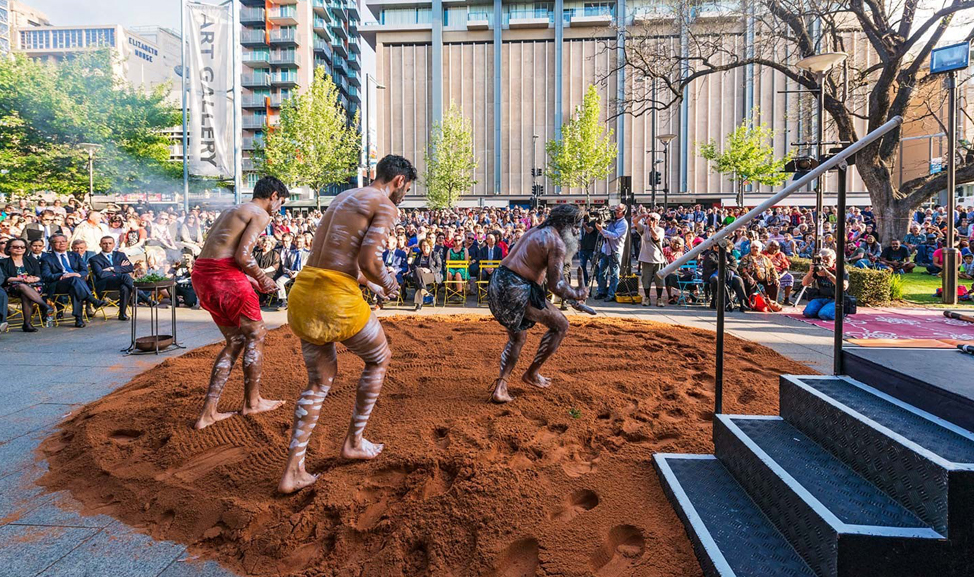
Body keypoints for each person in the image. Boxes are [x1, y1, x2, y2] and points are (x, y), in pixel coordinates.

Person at [278, 155, 416, 494]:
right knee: (379, 357)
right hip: (334, 299)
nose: (403, 196)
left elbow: (340, 256)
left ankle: (293, 471)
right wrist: (388, 283)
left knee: (319, 381)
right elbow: (370, 260)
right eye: (406, 189)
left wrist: (368, 282)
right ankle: (354, 440)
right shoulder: (384, 203)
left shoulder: (343, 197)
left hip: (305, 291)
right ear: (398, 181)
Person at [190, 176, 288, 430]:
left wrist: (247, 278)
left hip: (203, 274)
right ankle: (252, 402)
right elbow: (243, 256)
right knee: (256, 333)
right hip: (224, 276)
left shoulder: (232, 210)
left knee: (235, 341)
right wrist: (262, 278)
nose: (278, 210)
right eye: (280, 203)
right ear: (273, 196)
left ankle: (208, 413)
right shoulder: (259, 213)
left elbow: (216, 251)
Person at [486, 204, 588, 403]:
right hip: (516, 288)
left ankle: (501, 388)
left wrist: (570, 294)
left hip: (499, 282)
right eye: (576, 226)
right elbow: (556, 285)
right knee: (561, 325)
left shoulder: (537, 230)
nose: (577, 232)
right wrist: (577, 293)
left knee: (517, 338)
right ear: (565, 224)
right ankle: (532, 373)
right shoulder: (556, 243)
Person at [39, 234, 107, 328]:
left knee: (75, 287)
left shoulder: (74, 255)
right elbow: (46, 276)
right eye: (58, 242)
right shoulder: (46, 258)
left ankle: (78, 319)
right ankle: (91, 300)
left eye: (64, 241)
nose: (62, 243)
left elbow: (84, 270)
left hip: (75, 282)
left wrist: (77, 274)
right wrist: (63, 275)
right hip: (58, 284)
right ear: (51, 244)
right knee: (75, 281)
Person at [1, 238, 54, 332]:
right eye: (16, 247)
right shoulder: (3, 262)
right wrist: (21, 279)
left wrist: (33, 279)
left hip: (33, 286)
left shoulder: (32, 260)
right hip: (12, 287)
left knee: (26, 293)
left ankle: (27, 324)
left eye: (22, 247)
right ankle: (44, 306)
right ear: (9, 248)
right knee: (22, 286)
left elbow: (38, 275)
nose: (19, 249)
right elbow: (5, 278)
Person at [89, 236, 136, 320]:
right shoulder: (94, 259)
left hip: (119, 283)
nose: (107, 245)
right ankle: (142, 295)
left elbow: (130, 268)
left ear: (114, 244)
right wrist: (120, 269)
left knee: (125, 287)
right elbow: (100, 274)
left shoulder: (120, 255)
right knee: (125, 276)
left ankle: (122, 314)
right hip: (105, 284)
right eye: (105, 243)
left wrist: (112, 268)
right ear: (100, 245)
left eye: (110, 243)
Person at [593, 204, 628, 302]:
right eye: (615, 210)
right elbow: (604, 231)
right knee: (601, 273)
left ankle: (611, 294)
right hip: (606, 249)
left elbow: (614, 235)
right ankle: (601, 292)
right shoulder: (611, 220)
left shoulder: (623, 223)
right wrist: (600, 222)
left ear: (624, 212)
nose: (615, 212)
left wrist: (601, 230)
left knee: (614, 274)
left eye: (618, 211)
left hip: (615, 251)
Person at [801, 248, 849, 320]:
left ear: (834, 260)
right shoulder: (819, 268)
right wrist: (811, 271)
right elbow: (805, 283)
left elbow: (844, 286)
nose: (824, 261)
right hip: (821, 297)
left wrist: (828, 274)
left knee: (824, 314)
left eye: (827, 259)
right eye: (822, 259)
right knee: (808, 313)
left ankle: (840, 312)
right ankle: (824, 310)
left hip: (836, 299)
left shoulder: (840, 270)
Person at [635, 212, 666, 307]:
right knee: (646, 279)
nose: (650, 220)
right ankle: (647, 297)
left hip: (658, 259)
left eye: (652, 219)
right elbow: (635, 221)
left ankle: (659, 298)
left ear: (657, 221)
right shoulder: (644, 228)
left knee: (659, 280)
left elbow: (656, 237)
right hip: (645, 258)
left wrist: (652, 228)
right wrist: (643, 215)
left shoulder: (660, 230)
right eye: (649, 218)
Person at [410, 239, 443, 310]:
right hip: (421, 274)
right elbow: (414, 266)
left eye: (426, 245)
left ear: (430, 246)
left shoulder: (435, 254)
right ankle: (423, 290)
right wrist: (420, 269)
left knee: (418, 280)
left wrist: (429, 270)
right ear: (421, 247)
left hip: (432, 274)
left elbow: (439, 267)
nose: (425, 247)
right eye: (423, 245)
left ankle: (419, 304)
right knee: (418, 273)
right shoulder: (419, 255)